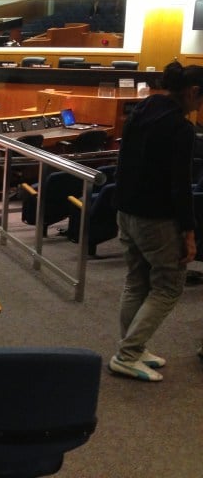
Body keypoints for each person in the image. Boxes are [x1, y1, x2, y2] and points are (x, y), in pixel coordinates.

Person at [109, 60, 203, 382]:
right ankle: (129, 353)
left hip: (126, 211)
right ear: (192, 92)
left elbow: (123, 161)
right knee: (168, 286)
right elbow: (180, 187)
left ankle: (133, 346)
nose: (200, 108)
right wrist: (189, 233)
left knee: (137, 280)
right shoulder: (180, 128)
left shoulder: (143, 108)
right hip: (157, 220)